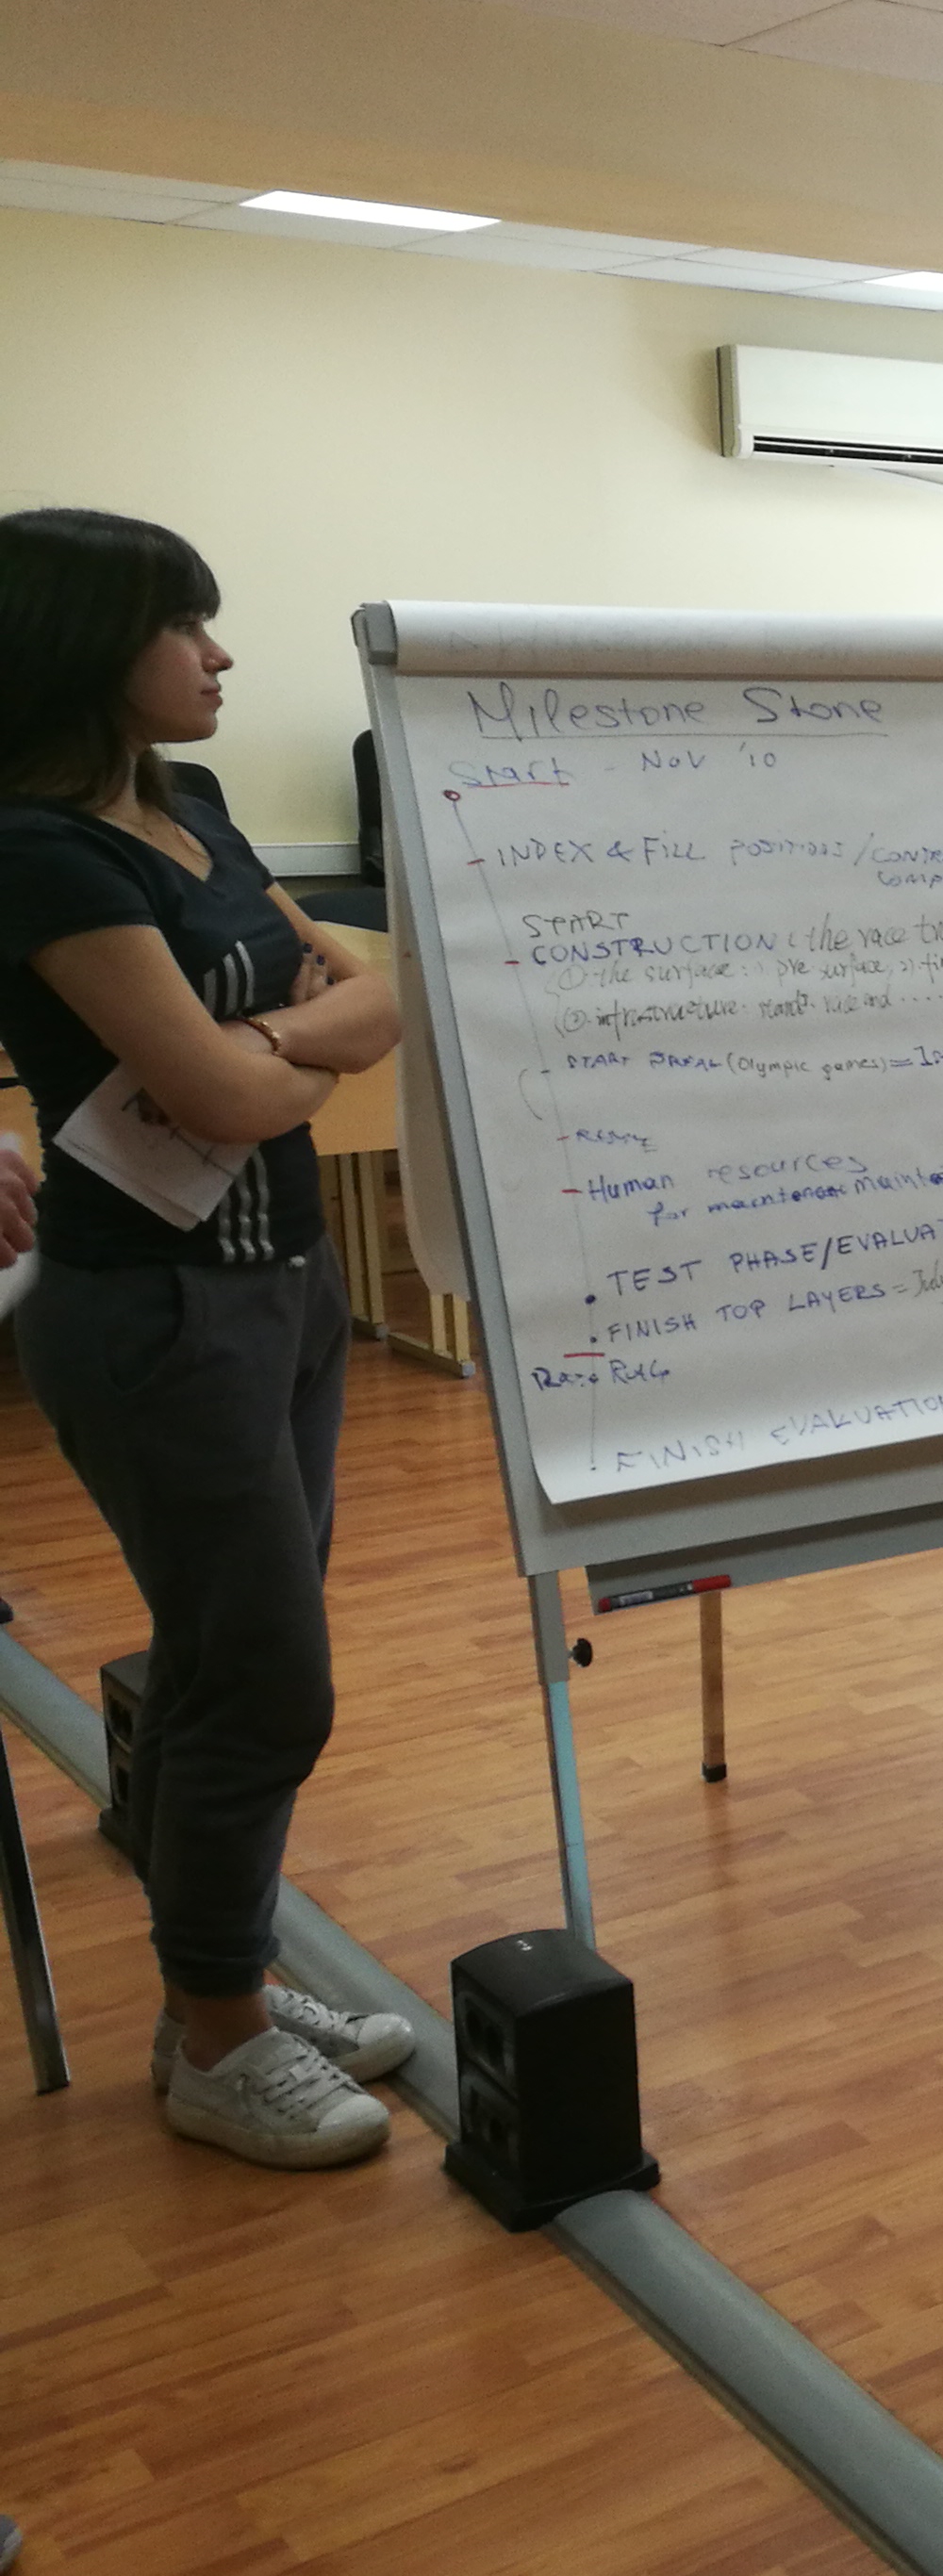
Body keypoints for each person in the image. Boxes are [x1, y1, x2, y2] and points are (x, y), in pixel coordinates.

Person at [0, 507, 414, 2169]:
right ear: (88, 651)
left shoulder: (196, 810)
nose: (220, 655)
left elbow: (369, 990)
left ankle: (214, 1989)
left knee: (219, 1649)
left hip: (289, 1284)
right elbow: (231, 1087)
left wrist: (265, 1053)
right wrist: (288, 1050)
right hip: (154, 1311)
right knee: (266, 1680)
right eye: (187, 627)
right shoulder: (41, 853)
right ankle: (217, 2039)